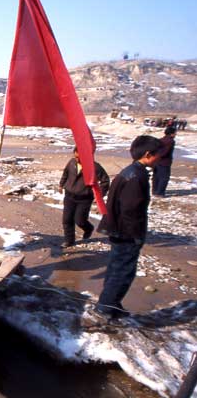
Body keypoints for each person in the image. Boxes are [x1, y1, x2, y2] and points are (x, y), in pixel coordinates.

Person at [95, 135, 163, 319]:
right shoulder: (136, 177)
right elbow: (131, 210)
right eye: (159, 154)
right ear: (148, 154)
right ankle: (105, 309)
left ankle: (110, 304)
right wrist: (136, 236)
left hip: (119, 230)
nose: (160, 158)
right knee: (122, 272)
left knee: (116, 268)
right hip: (126, 232)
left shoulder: (130, 172)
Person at [59, 147, 110, 248]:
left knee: (80, 220)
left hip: (84, 198)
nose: (77, 160)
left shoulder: (94, 167)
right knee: (67, 219)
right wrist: (61, 185)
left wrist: (100, 195)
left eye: (80, 158)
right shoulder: (71, 162)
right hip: (69, 195)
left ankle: (88, 228)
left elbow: (105, 181)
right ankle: (69, 240)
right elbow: (65, 173)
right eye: (76, 157)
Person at [152, 126, 177, 197]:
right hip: (164, 162)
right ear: (171, 133)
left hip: (156, 161)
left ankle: (155, 191)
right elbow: (165, 152)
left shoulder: (160, 139)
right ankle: (159, 193)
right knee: (164, 178)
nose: (175, 134)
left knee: (156, 176)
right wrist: (160, 156)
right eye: (175, 133)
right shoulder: (170, 141)